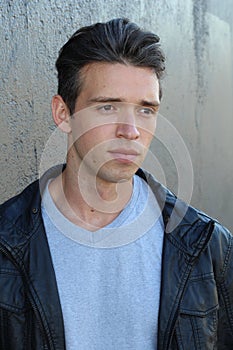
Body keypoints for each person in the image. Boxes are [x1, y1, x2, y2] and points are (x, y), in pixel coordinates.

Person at [0, 18, 232, 350]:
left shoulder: (206, 246)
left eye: (145, 110)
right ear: (63, 113)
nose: (131, 130)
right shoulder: (6, 243)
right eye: (108, 107)